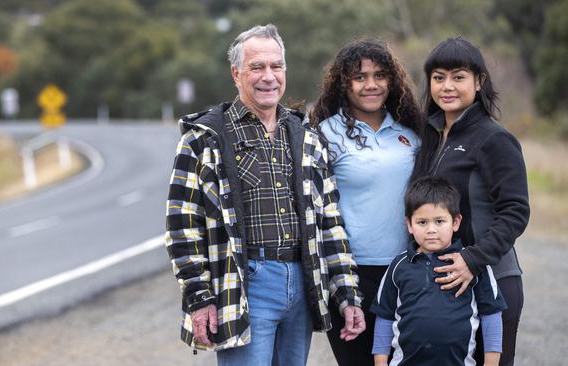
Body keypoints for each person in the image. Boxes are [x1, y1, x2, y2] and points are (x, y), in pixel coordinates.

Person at [165, 24, 365, 366]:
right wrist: (199, 298)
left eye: (276, 66)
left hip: (301, 282)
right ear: (236, 73)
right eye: (257, 67)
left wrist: (347, 294)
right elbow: (182, 226)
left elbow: (329, 223)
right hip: (246, 283)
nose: (268, 76)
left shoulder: (307, 137)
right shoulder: (204, 138)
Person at [411, 37, 530, 366]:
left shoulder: (495, 139)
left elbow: (515, 212)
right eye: (438, 77)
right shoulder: (431, 137)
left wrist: (473, 260)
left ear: (479, 82)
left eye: (458, 77)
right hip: (442, 280)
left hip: (492, 279)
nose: (447, 86)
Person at [310, 39, 424, 365]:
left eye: (379, 75)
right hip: (349, 276)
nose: (371, 85)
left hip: (406, 272)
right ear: (343, 84)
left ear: (392, 81)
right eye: (360, 77)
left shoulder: (410, 133)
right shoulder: (323, 134)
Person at [371, 176, 508, 366]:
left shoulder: (473, 265)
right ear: (409, 224)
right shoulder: (399, 266)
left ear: (455, 222)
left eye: (439, 221)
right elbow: (384, 316)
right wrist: (380, 363)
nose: (431, 230)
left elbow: (491, 315)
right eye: (422, 222)